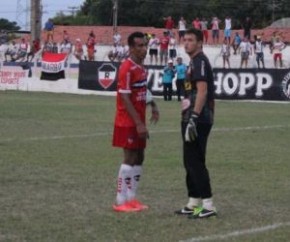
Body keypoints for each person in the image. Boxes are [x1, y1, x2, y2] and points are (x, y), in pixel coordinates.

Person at [112, 32, 159, 212]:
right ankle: (120, 200)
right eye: (139, 46)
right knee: (130, 157)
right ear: (131, 48)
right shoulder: (126, 68)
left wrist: (153, 104)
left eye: (145, 45)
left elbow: (142, 90)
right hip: (128, 121)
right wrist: (139, 123)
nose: (143, 49)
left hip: (139, 119)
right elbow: (124, 96)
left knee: (140, 157)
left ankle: (132, 199)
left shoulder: (141, 68)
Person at [175, 28, 217, 219]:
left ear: (200, 42)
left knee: (195, 160)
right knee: (188, 160)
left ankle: (208, 204)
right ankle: (193, 202)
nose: (187, 43)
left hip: (198, 118)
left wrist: (193, 117)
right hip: (191, 116)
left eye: (191, 40)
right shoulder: (193, 62)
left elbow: (202, 91)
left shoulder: (200, 61)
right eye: (185, 40)